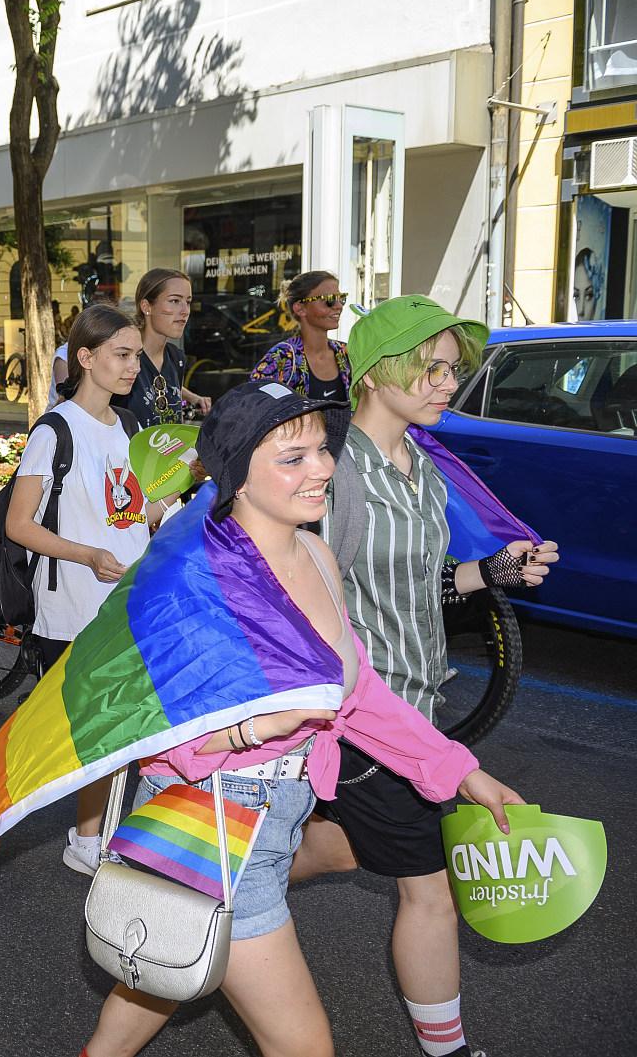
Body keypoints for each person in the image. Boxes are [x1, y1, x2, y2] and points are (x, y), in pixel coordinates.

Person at [81, 382, 523, 1057]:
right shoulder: (191, 577)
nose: (321, 468)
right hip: (214, 822)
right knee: (303, 1044)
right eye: (293, 457)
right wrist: (258, 727)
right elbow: (144, 722)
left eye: (322, 449)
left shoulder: (315, 553)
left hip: (282, 810)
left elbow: (360, 693)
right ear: (236, 475)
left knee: (169, 960)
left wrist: (461, 772)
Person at [291, 295, 559, 1057]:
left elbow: (423, 584)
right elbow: (298, 592)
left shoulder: (426, 471)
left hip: (420, 706)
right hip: (363, 716)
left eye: (451, 369)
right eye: (431, 367)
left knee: (341, 848)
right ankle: (449, 1050)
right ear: (376, 374)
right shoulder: (333, 474)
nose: (448, 382)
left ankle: (232, 875)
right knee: (430, 888)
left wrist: (493, 570)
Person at [5, 305, 172, 874]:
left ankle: (85, 837)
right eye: (121, 355)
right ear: (85, 357)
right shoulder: (54, 431)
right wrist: (88, 555)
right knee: (87, 728)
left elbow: (133, 509)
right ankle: (12, 757)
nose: (133, 366)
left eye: (135, 356)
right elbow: (20, 525)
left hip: (126, 600)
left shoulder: (129, 426)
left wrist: (173, 497)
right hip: (72, 601)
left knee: (112, 726)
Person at [124, 268, 211, 426]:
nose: (185, 311)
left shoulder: (176, 357)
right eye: (175, 301)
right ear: (146, 306)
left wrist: (192, 397)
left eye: (188, 302)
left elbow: (167, 385)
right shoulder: (125, 357)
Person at [250, 271, 352, 401]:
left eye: (341, 298)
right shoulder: (281, 357)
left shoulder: (346, 353)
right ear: (300, 308)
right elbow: (253, 403)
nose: (339, 306)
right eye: (329, 300)